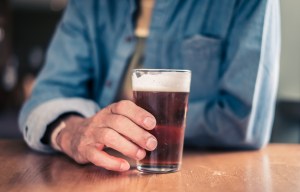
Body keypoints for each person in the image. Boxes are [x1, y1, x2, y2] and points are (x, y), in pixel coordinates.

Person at [19, 0, 280, 172]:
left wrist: (127, 126)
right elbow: (47, 94)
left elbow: (243, 120)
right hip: (104, 176)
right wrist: (73, 130)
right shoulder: (90, 5)